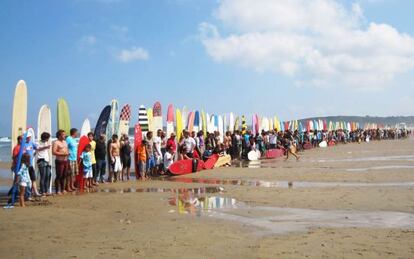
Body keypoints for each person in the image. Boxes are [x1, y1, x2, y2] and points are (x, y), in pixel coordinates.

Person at [24, 131, 41, 197]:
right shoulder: (24, 144)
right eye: (27, 137)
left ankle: (36, 192)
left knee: (33, 179)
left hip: (30, 165)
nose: (29, 138)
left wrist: (35, 153)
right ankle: (27, 194)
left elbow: (37, 148)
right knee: (27, 181)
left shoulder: (31, 143)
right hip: (25, 166)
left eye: (29, 137)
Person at [52, 130, 69, 195]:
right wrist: (62, 154)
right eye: (63, 134)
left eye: (65, 134)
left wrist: (67, 153)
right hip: (59, 161)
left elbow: (66, 150)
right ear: (59, 135)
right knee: (59, 175)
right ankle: (57, 190)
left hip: (65, 160)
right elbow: (53, 152)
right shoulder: (56, 142)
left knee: (64, 175)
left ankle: (63, 189)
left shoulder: (65, 142)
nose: (65, 136)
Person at [37, 132, 52, 196]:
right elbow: (37, 149)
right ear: (45, 138)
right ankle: (42, 191)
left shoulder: (45, 142)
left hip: (46, 160)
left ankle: (47, 190)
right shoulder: (38, 142)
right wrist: (45, 147)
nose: (48, 140)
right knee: (43, 176)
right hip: (41, 160)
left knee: (48, 175)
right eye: (47, 138)